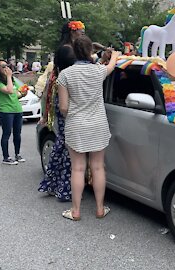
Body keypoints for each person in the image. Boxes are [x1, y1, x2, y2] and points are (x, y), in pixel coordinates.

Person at [57, 35, 120, 221]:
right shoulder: (98, 71)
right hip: (98, 124)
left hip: (76, 125)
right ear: (90, 51)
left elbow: (63, 107)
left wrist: (72, 116)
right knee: (98, 167)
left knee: (77, 168)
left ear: (74, 52)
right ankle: (100, 209)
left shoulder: (65, 75)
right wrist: (114, 54)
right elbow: (111, 65)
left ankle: (75, 211)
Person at [38, 21, 85, 202]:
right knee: (68, 145)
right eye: (81, 32)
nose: (83, 34)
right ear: (73, 32)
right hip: (67, 98)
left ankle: (52, 183)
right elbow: (80, 68)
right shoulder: (67, 51)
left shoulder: (68, 48)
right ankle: (64, 189)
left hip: (67, 97)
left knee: (63, 144)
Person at [0, 60, 27, 165]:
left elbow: (15, 94)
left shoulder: (11, 80)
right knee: (6, 134)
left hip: (17, 109)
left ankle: (17, 154)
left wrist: (23, 94)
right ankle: (6, 157)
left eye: (7, 65)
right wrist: (10, 76)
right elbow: (9, 90)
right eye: (3, 66)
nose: (6, 68)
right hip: (6, 111)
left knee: (17, 134)